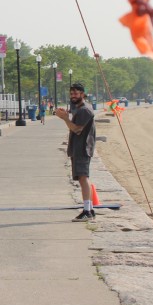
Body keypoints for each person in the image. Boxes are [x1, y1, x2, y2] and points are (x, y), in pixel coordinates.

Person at [54, 82, 97, 222]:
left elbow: (77, 129)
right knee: (83, 178)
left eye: (76, 93)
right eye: (71, 93)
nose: (73, 96)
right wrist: (66, 114)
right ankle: (90, 209)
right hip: (78, 148)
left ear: (82, 94)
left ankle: (87, 211)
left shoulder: (85, 110)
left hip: (83, 148)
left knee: (83, 178)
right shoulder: (79, 108)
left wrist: (65, 118)